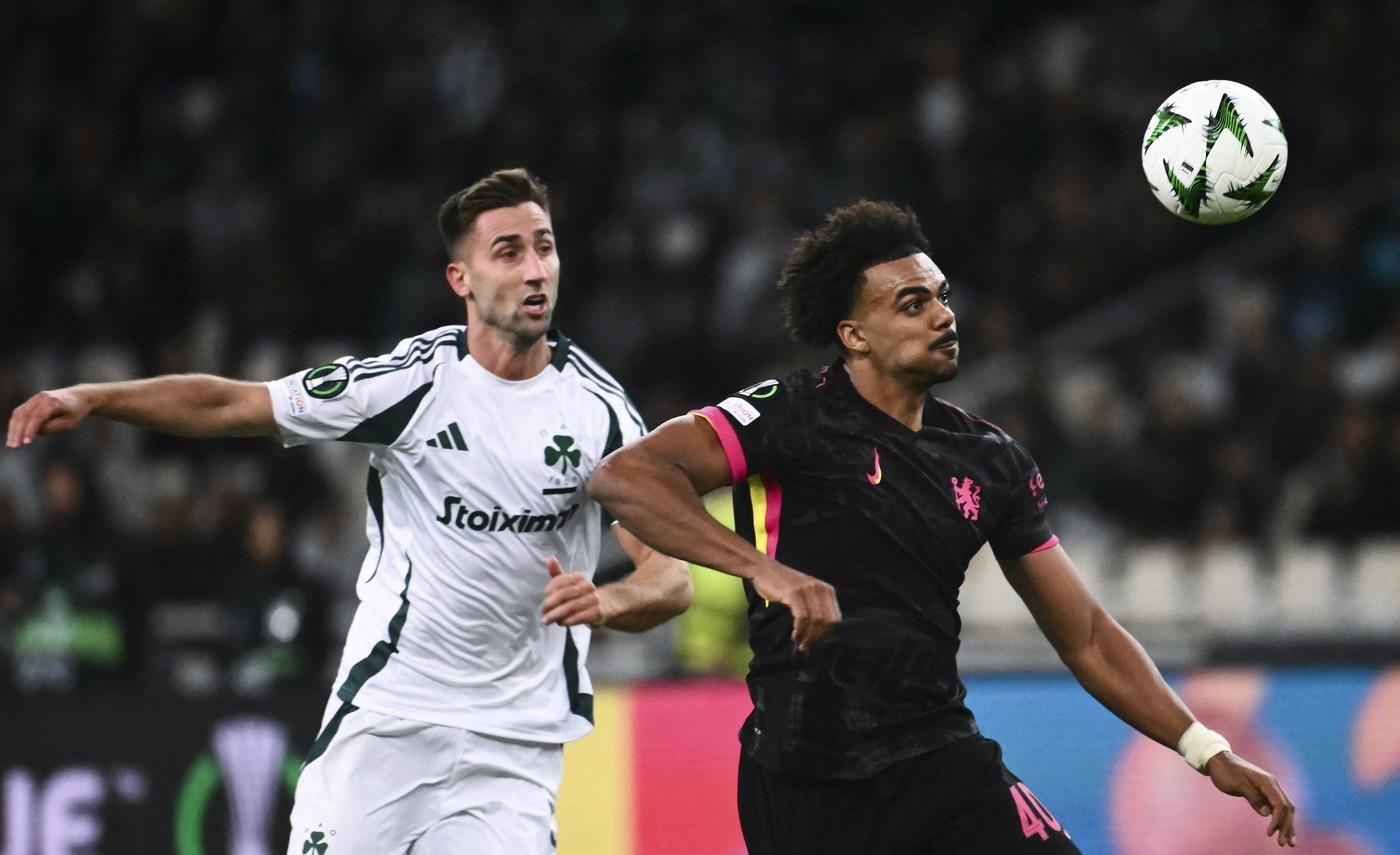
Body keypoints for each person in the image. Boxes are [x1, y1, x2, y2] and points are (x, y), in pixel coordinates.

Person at [6, 167, 693, 855]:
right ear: (462, 278)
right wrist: (98, 397)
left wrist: (606, 602)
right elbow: (233, 403)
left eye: (544, 246)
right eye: (509, 252)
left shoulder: (602, 416)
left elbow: (671, 578)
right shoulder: (410, 384)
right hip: (390, 723)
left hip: (512, 752)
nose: (536, 268)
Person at [586, 200, 1298, 853]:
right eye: (913, 302)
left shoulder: (989, 460)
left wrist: (1205, 747)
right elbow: (626, 477)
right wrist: (762, 569)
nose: (942, 315)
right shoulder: (790, 416)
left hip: (941, 759)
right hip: (806, 776)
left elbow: (1083, 634)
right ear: (853, 333)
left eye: (943, 296)